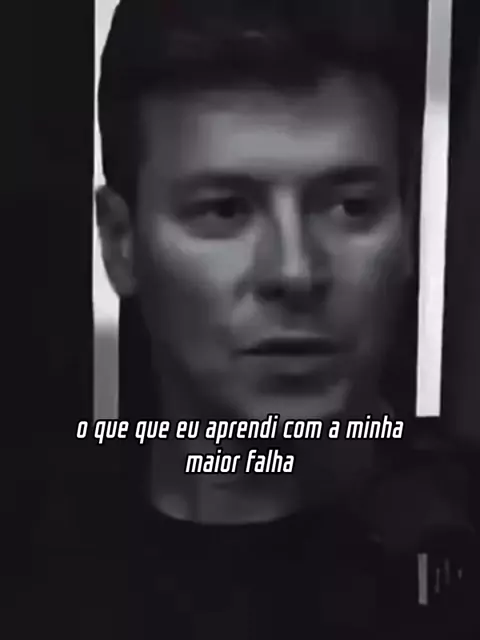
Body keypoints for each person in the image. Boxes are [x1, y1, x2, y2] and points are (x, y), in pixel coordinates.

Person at [96, 1, 478, 637]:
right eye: (225, 210)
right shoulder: (31, 559)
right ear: (121, 243)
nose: (296, 272)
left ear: (408, 228)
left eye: (351, 207)